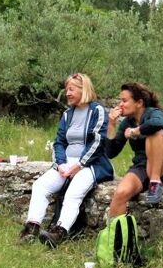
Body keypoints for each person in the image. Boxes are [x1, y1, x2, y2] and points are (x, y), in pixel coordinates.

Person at [20, 74, 114, 248]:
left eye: (71, 89)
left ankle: (58, 232)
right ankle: (31, 229)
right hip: (67, 163)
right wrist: (61, 164)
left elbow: (98, 141)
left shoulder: (97, 111)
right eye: (66, 90)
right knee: (40, 186)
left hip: (91, 163)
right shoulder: (67, 114)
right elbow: (59, 142)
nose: (67, 93)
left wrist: (79, 165)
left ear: (83, 89)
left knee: (74, 191)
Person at [105, 82, 163, 217]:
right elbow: (111, 152)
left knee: (154, 131)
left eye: (124, 100)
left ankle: (155, 184)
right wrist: (111, 124)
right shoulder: (127, 122)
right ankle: (115, 235)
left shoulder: (153, 113)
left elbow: (159, 123)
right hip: (141, 167)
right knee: (121, 193)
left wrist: (135, 131)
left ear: (139, 103)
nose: (120, 104)